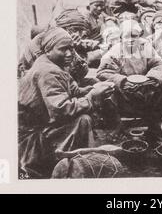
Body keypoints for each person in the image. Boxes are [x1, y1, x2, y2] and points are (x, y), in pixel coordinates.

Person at [18, 27, 115, 178]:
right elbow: (61, 110)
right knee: (82, 121)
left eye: (71, 48)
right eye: (63, 49)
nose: (70, 53)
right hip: (30, 140)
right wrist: (92, 97)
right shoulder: (48, 71)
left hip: (42, 125)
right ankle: (64, 165)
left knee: (84, 117)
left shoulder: (52, 63)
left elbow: (71, 91)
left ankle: (74, 161)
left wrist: (93, 89)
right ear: (48, 50)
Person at [96, 20, 162, 134]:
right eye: (127, 36)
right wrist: (122, 81)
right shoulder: (116, 50)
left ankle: (156, 124)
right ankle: (115, 127)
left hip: (145, 89)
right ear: (121, 38)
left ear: (139, 37)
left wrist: (151, 78)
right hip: (123, 91)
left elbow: (160, 64)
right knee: (104, 89)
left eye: (134, 36)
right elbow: (102, 72)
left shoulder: (145, 46)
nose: (131, 40)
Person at [18, 9, 96, 84]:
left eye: (81, 31)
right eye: (75, 30)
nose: (78, 35)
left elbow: (82, 73)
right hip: (30, 82)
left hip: (54, 80)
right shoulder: (43, 42)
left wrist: (73, 51)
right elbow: (52, 75)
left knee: (95, 82)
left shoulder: (64, 41)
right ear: (63, 28)